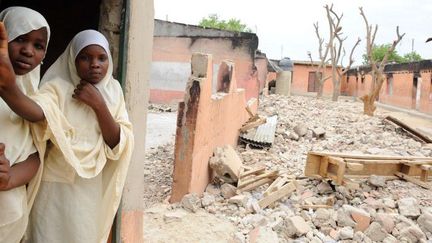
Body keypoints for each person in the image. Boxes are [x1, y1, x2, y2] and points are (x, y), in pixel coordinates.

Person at [7, 29, 133, 243]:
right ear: (72, 59)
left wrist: (99, 105)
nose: (94, 64)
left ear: (109, 60)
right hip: (53, 188)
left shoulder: (113, 92)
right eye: (85, 57)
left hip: (89, 189)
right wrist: (9, 89)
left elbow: (118, 143)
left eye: (101, 58)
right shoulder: (57, 89)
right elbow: (39, 112)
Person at [0, 6, 50, 243]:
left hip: (9, 211)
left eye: (38, 45)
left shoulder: (39, 98)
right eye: (20, 39)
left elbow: (37, 156)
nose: (28, 51)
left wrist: (9, 178)